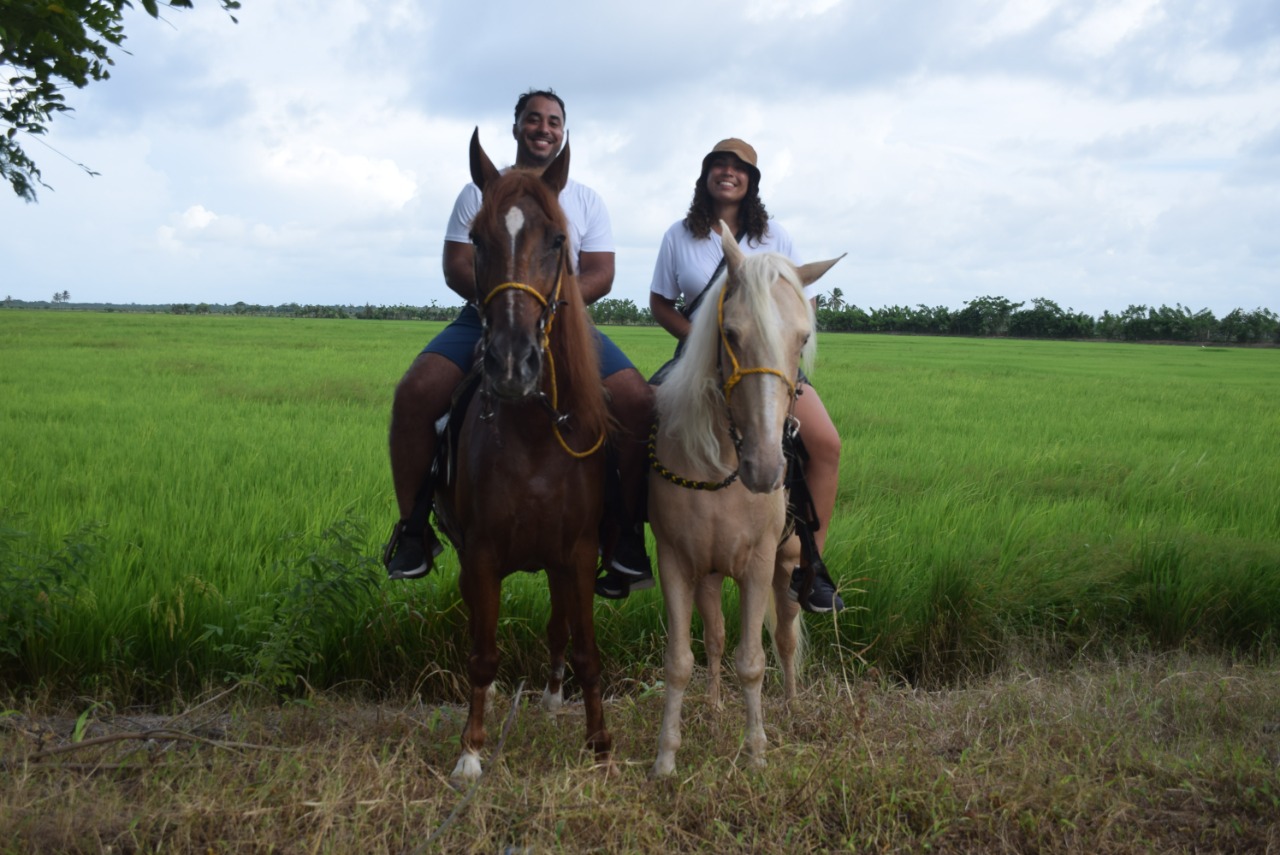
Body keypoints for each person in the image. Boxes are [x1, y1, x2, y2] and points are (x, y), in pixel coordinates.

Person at [384, 89, 653, 590]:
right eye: (534, 119)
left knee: (638, 401)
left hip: (566, 320)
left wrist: (549, 307)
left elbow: (602, 272)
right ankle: (415, 528)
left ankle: (623, 535)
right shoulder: (479, 191)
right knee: (415, 394)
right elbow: (457, 264)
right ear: (516, 128)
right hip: (484, 317)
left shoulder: (586, 200)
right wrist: (504, 305)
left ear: (562, 132)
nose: (543, 128)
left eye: (554, 121)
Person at [600, 138, 845, 613]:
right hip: (695, 359)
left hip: (768, 366)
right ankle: (626, 545)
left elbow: (800, 305)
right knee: (632, 426)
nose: (727, 172)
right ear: (705, 176)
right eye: (718, 165)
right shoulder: (680, 235)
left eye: (739, 168)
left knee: (826, 444)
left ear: (752, 181)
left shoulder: (776, 237)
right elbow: (659, 302)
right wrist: (700, 343)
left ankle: (810, 566)